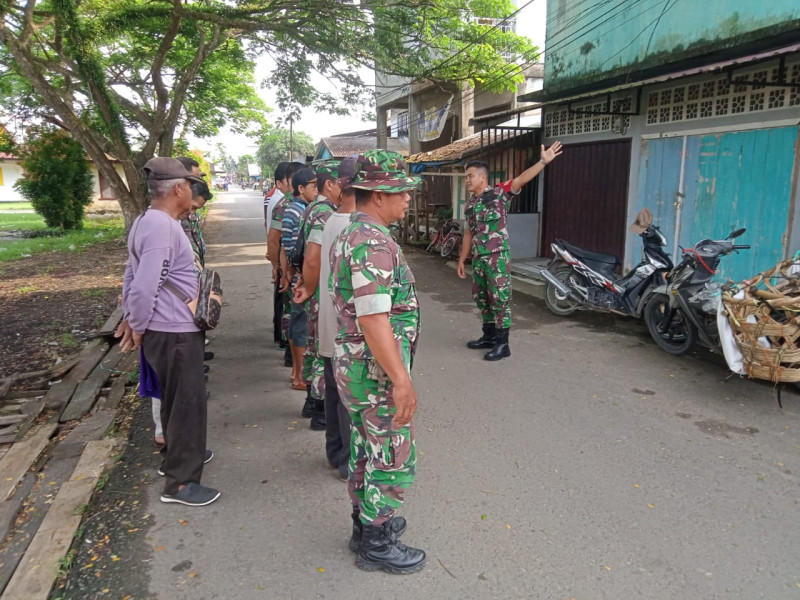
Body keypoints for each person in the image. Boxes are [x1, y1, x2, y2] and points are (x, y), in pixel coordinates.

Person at [330, 150, 425, 574]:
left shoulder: (353, 232)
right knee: (391, 453)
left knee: (366, 448)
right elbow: (373, 319)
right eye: (401, 192)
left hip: (358, 366)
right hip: (374, 370)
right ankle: (377, 542)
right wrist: (401, 380)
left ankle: (365, 525)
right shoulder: (371, 242)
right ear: (379, 195)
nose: (407, 199)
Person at [116, 157, 219, 507]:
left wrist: (132, 318)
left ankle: (179, 457)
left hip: (168, 329)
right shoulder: (162, 227)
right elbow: (145, 284)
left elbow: (132, 274)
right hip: (174, 330)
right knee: (186, 405)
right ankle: (180, 484)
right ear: (177, 189)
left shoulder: (147, 220)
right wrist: (137, 325)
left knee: (176, 403)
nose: (192, 189)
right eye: (189, 184)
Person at [457, 141, 564, 361]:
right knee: (481, 297)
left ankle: (503, 344)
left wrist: (542, 162)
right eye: (466, 176)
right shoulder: (470, 205)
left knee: (500, 299)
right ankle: (489, 336)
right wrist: (462, 260)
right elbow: (468, 233)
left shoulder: (499, 194)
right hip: (479, 258)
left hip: (497, 257)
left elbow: (521, 179)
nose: (467, 180)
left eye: (470, 176)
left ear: (482, 177)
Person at [296, 156, 358, 480]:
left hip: (330, 326)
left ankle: (335, 454)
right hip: (347, 331)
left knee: (335, 394)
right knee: (349, 398)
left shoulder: (332, 219)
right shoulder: (353, 226)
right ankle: (348, 461)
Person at [290, 161, 340, 430]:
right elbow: (312, 257)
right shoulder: (324, 213)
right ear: (329, 184)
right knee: (322, 348)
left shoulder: (314, 208)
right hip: (319, 288)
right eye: (341, 183)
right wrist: (310, 287)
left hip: (314, 286)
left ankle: (312, 400)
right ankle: (320, 410)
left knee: (314, 345)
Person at [281, 167, 317, 390]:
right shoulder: (300, 211)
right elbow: (298, 249)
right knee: (302, 326)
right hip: (302, 279)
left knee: (297, 325)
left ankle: (296, 373)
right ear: (301, 188)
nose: (317, 190)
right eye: (314, 186)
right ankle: (300, 376)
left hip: (297, 276)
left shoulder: (294, 209)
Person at [268, 162, 305, 365]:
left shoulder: (306, 204)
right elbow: (274, 240)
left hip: (293, 265)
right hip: (288, 267)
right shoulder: (284, 206)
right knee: (291, 312)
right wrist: (277, 267)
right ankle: (291, 357)